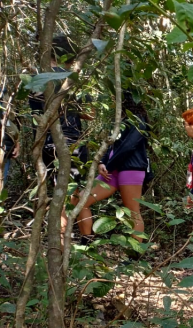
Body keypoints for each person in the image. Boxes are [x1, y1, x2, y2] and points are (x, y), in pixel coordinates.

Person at [64, 94, 149, 247]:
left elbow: (128, 146)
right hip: (112, 170)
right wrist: (103, 162)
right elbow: (112, 145)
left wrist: (108, 165)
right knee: (80, 200)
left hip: (130, 169)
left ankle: (135, 256)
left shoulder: (138, 120)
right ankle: (87, 243)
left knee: (133, 213)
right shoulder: (120, 121)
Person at [29, 35, 92, 185]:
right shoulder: (72, 80)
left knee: (56, 191)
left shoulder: (35, 80)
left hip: (43, 142)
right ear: (71, 58)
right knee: (69, 194)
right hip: (70, 142)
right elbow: (90, 114)